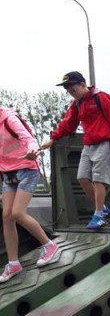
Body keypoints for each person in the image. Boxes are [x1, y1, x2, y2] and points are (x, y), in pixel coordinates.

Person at [41, 72, 110, 230]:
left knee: (99, 180)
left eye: (72, 88)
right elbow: (68, 124)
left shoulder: (101, 98)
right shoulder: (77, 104)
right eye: (68, 91)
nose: (71, 93)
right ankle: (102, 208)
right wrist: (53, 139)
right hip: (89, 145)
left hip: (105, 142)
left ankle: (99, 215)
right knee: (82, 177)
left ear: (82, 84)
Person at [0, 108, 61, 282]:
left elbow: (28, 138)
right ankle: (13, 264)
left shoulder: (8, 119)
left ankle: (49, 245)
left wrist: (33, 150)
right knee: (6, 216)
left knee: (17, 213)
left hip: (27, 171)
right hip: (8, 174)